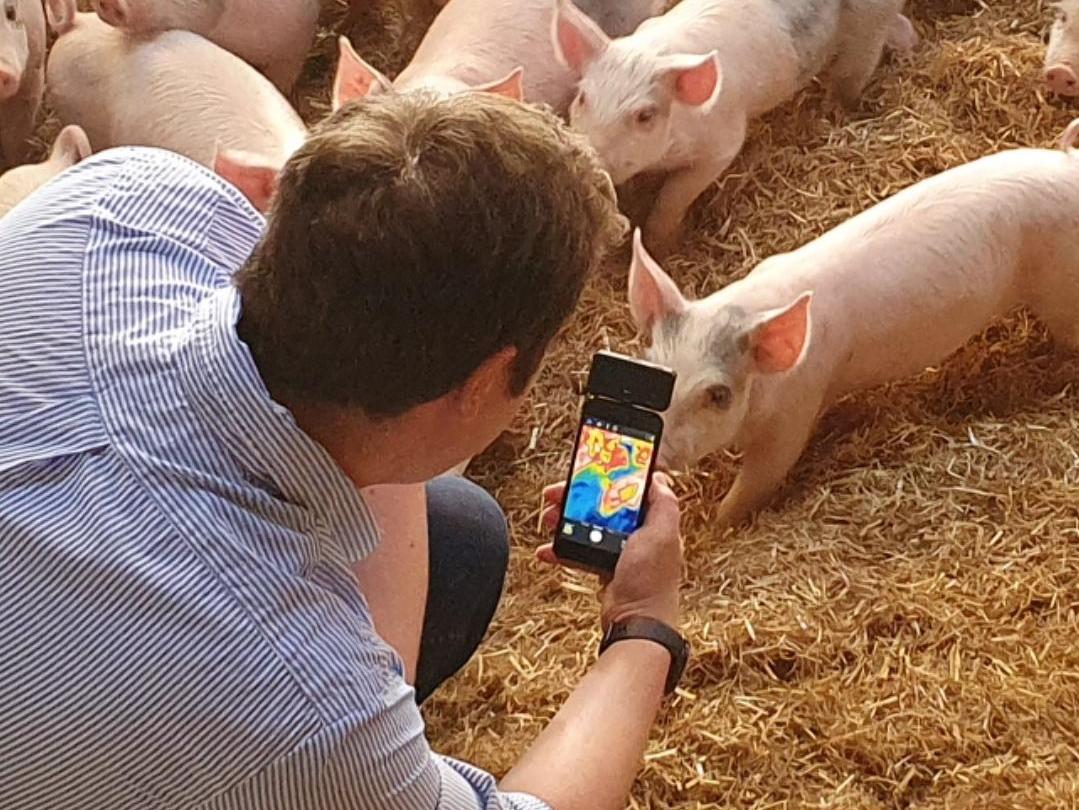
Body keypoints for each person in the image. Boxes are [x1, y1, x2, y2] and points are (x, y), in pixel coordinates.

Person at [0, 92, 687, 809]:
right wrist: (644, 625)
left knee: (459, 534)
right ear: (483, 383)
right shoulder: (304, 703)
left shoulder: (127, 198)